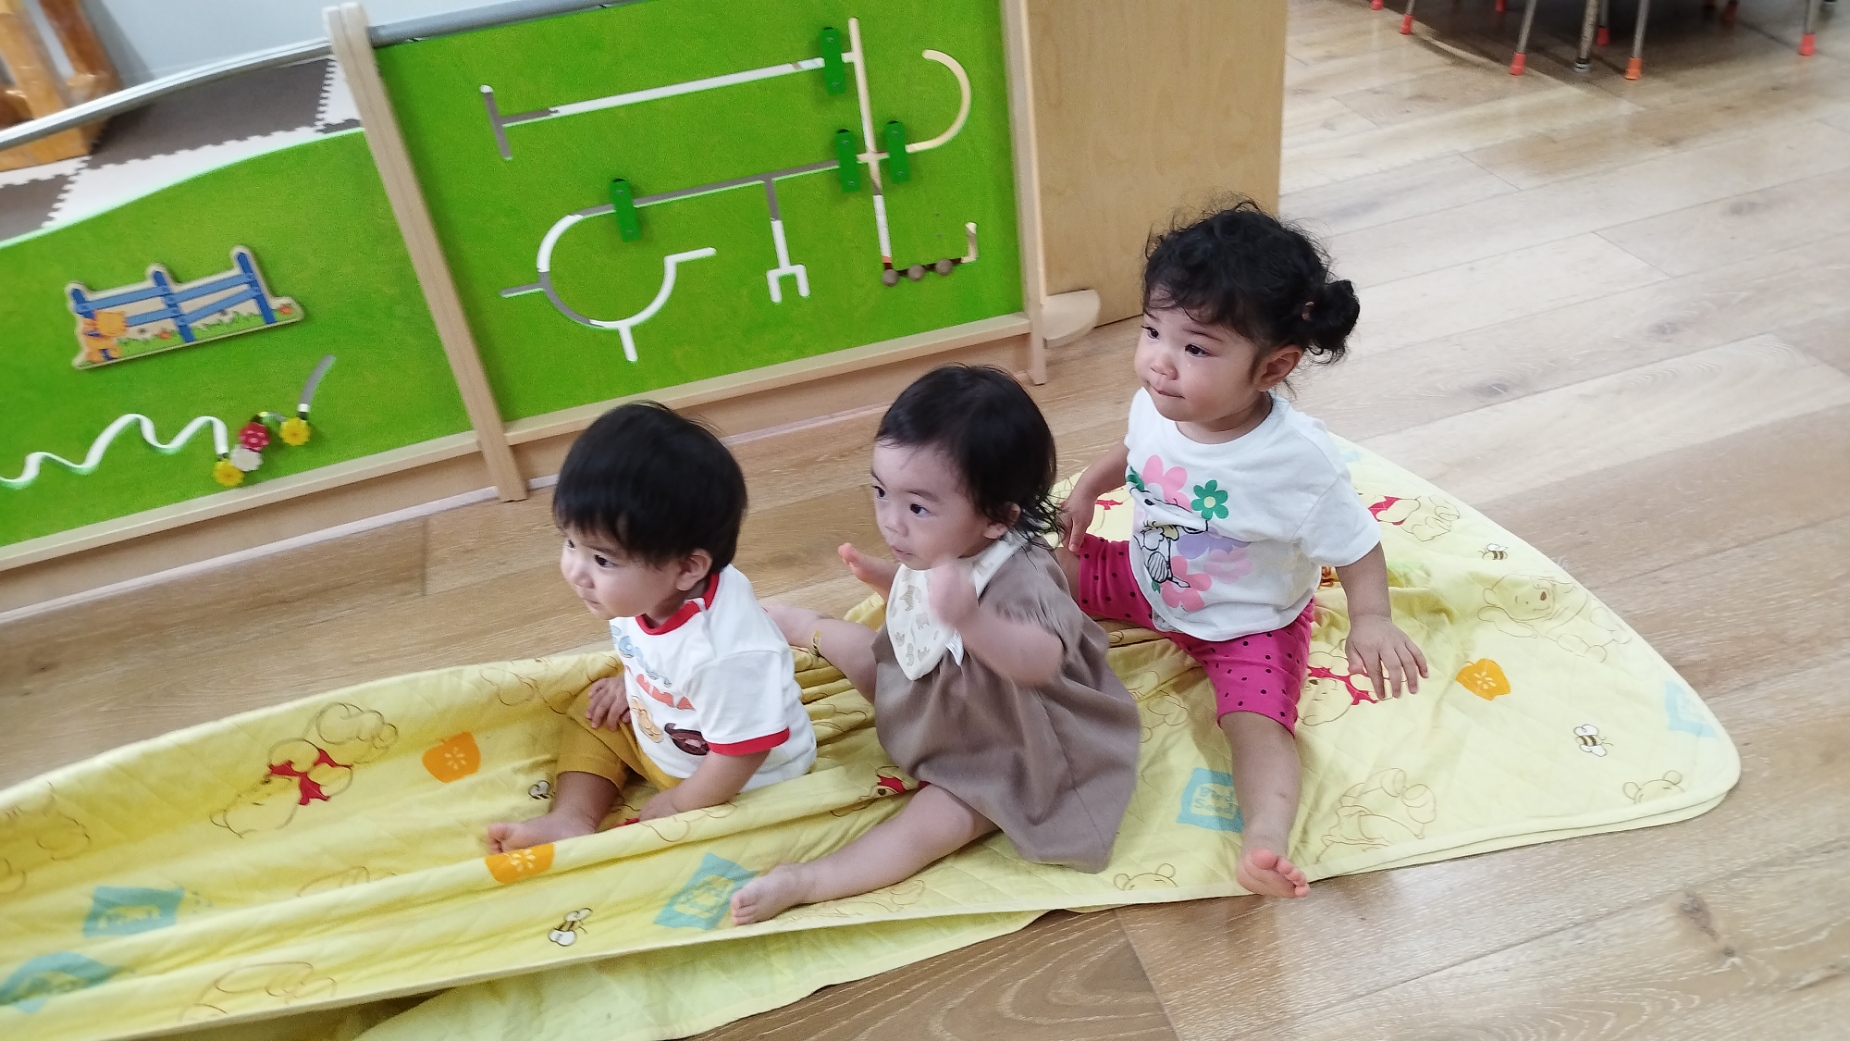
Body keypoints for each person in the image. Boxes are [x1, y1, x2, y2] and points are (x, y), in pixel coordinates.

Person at [1058, 200, 1427, 899]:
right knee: (1032, 568)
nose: (1160, 361)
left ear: (1271, 367)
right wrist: (1086, 492)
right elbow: (1133, 450)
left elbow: (1357, 545)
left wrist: (1372, 618)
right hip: (1145, 574)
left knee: (1256, 729)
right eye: (1152, 330)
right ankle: (932, 597)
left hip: (1249, 624)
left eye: (1195, 348)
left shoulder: (1297, 462)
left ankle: (1265, 839)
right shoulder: (1159, 401)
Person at [733, 365, 1141, 924]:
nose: (891, 522)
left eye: (917, 507)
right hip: (935, 695)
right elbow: (920, 608)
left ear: (999, 518)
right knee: (870, 653)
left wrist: (971, 619)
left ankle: (808, 880)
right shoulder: (944, 541)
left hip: (1005, 740)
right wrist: (886, 579)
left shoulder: (1023, 581)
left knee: (931, 825)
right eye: (881, 492)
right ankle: (807, 625)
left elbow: (1042, 660)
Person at [487, 403, 815, 853]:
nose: (577, 571)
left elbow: (745, 751)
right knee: (592, 710)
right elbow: (647, 650)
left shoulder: (724, 654)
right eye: (570, 542)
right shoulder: (638, 592)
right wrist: (632, 683)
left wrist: (683, 801)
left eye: (602, 560)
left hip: (741, 779)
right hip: (663, 733)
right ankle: (571, 818)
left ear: (687, 568)